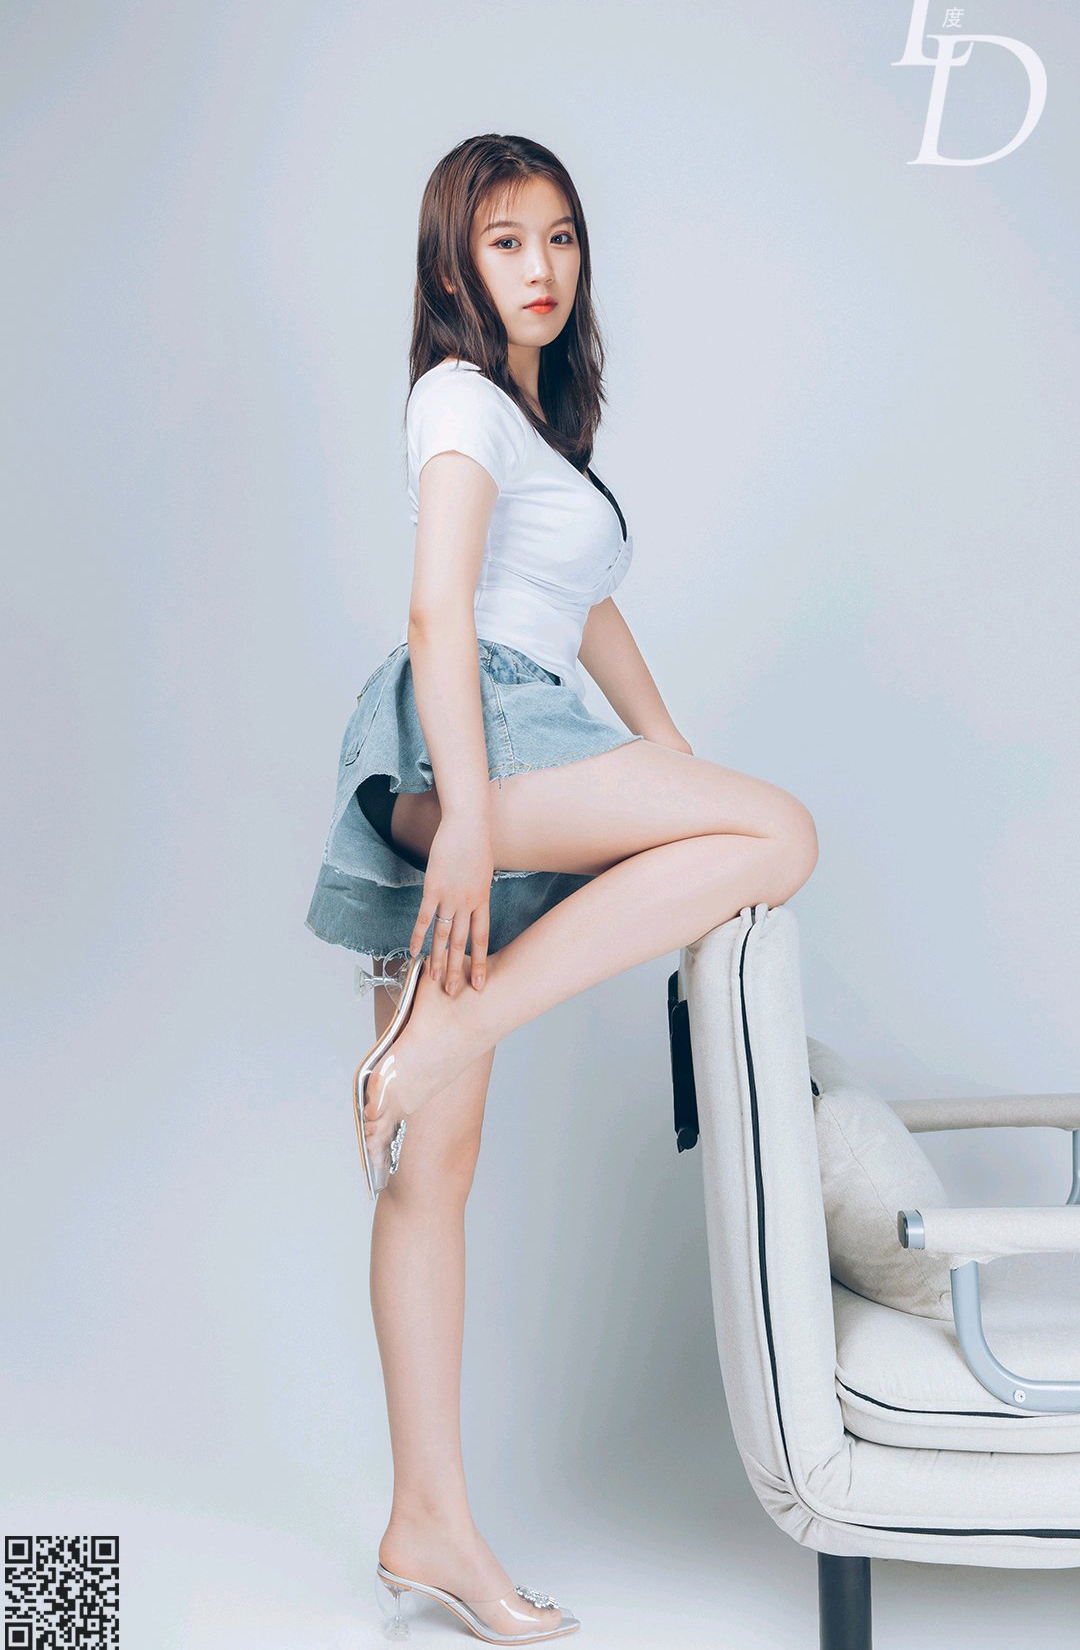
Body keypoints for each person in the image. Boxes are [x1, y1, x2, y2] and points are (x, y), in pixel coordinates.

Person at [305, 134, 819, 1644]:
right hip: (476, 731)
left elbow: (583, 614)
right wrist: (470, 811)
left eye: (561, 239)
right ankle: (453, 1028)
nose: (541, 269)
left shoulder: (541, 426)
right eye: (507, 241)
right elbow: (437, 609)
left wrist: (671, 765)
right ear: (456, 263)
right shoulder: (460, 398)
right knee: (779, 833)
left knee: (433, 1170)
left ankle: (427, 1524)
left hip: (523, 726)